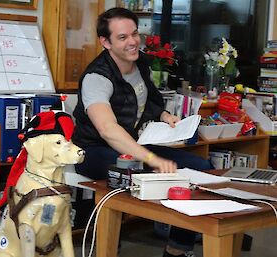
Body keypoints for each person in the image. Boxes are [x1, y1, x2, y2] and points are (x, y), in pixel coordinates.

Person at [72, 7, 213, 257]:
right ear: (105, 42)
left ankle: (177, 249)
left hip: (132, 147)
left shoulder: (141, 63)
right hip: (93, 151)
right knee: (146, 171)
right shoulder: (97, 77)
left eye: (135, 34)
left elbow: (148, 101)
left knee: (200, 167)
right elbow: (108, 129)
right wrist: (152, 159)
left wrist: (164, 115)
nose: (133, 41)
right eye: (123, 37)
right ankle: (105, 247)